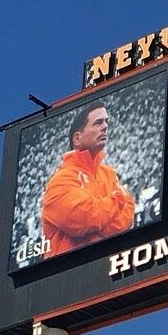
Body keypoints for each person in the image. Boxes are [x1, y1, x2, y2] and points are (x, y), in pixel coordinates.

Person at [39, 104, 136, 255]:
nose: (105, 127)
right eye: (98, 123)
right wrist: (117, 199)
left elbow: (126, 219)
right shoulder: (61, 180)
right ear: (77, 138)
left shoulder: (109, 174)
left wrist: (97, 223)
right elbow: (83, 219)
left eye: (106, 122)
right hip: (68, 272)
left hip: (110, 265)